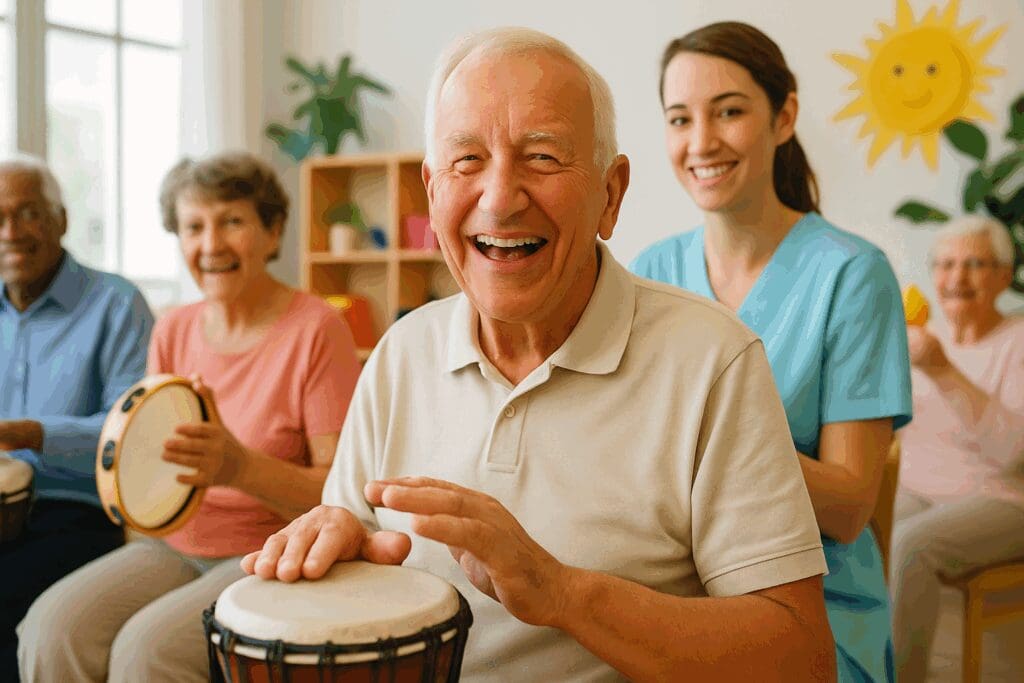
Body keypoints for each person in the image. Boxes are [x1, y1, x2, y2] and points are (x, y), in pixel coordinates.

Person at [243, 27, 835, 682]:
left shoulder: (713, 360)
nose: (499, 197)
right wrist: (338, 535)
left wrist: (564, 594)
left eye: (544, 158)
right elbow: (352, 531)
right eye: (466, 161)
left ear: (611, 194)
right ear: (431, 190)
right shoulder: (400, 352)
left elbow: (801, 655)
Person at [629, 22, 912, 682]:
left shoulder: (851, 275)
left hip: (812, 607)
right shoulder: (649, 272)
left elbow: (847, 506)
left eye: (729, 111)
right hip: (671, 588)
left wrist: (707, 441)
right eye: (680, 118)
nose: (701, 142)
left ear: (783, 117)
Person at [18, 152, 362, 682]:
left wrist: (238, 467)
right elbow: (147, 472)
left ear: (273, 233)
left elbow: (341, 498)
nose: (211, 244)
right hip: (173, 545)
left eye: (233, 221)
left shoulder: (317, 329)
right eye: (193, 227)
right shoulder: (173, 329)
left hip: (269, 550)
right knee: (48, 628)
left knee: (146, 651)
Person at [0, 153, 153, 680]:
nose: (10, 232)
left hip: (75, 513)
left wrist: (26, 433)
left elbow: (131, 436)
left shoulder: (117, 304)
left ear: (61, 220)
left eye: (28, 213)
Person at [890, 216, 1024, 683]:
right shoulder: (924, 336)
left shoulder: (1018, 340)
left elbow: (1011, 454)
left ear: (1005, 276)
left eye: (974, 264)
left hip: (1001, 500)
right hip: (920, 487)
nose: (956, 278)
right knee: (853, 530)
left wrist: (944, 372)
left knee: (910, 545)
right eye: (945, 264)